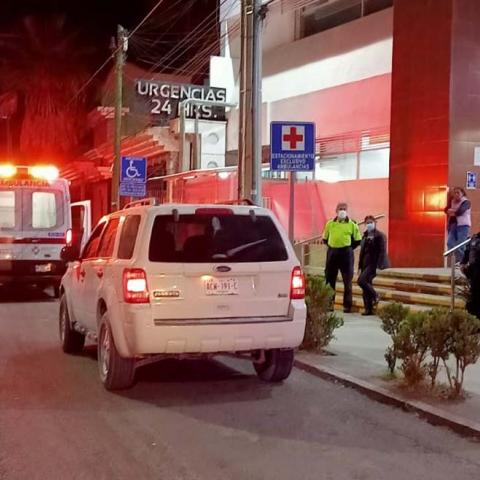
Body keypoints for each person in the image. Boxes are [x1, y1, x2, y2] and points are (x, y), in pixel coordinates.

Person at [322, 202, 362, 313]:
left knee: (347, 281)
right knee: (330, 280)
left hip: (346, 254)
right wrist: (334, 247)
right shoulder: (330, 223)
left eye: (344, 209)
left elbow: (357, 240)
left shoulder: (352, 224)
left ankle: (347, 306)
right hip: (332, 253)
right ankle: (329, 304)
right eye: (340, 209)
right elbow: (325, 239)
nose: (342, 211)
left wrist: (348, 248)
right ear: (336, 210)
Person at [357, 215, 389, 316]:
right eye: (367, 223)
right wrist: (359, 266)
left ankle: (376, 295)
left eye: (371, 222)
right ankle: (368, 308)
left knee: (361, 281)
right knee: (366, 285)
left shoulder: (379, 235)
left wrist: (380, 265)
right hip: (364, 264)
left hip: (373, 264)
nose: (369, 224)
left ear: (375, 223)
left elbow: (382, 251)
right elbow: (362, 252)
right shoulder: (365, 235)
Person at [445, 187, 471, 263]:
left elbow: (460, 212)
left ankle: (462, 262)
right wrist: (449, 211)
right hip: (453, 225)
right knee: (450, 243)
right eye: (455, 193)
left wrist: (452, 211)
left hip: (463, 226)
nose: (456, 194)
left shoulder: (466, 202)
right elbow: (445, 210)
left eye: (458, 193)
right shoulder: (452, 201)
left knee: (460, 245)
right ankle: (460, 261)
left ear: (462, 193)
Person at [460, 232, 480, 319]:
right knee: (474, 295)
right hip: (474, 272)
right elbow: (467, 251)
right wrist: (463, 263)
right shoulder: (475, 238)